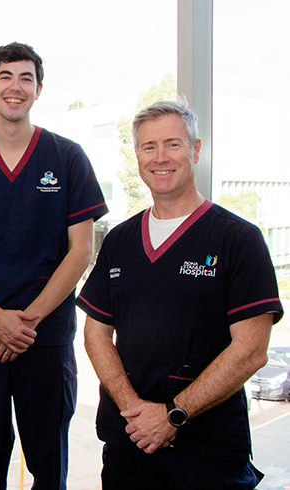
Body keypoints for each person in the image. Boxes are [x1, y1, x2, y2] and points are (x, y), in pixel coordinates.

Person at [76, 100, 284, 489]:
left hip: (208, 453)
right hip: (129, 447)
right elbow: (95, 334)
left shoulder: (238, 239)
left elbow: (251, 349)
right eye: (148, 147)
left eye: (173, 144)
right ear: (136, 156)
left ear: (196, 149)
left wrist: (173, 414)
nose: (160, 158)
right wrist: (133, 410)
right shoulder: (120, 240)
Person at [0, 42, 108, 489]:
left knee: (49, 464)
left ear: (38, 90)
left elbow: (81, 251)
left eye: (26, 78)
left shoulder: (67, 158)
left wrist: (26, 322)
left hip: (45, 337)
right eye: (6, 77)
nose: (16, 87)